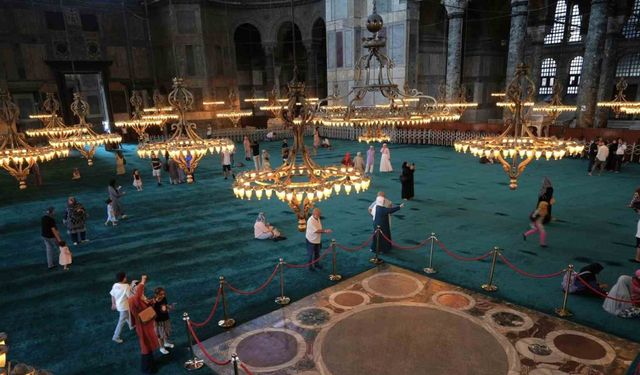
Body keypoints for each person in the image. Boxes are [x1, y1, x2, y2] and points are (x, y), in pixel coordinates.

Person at [128, 275, 166, 374]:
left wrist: (151, 302)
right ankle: (146, 369)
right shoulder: (133, 299)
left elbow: (144, 307)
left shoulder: (139, 298)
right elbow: (137, 298)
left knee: (148, 347)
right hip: (143, 327)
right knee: (145, 348)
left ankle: (151, 364)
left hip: (147, 326)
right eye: (137, 289)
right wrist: (142, 282)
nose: (141, 290)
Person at [110, 272, 133, 344]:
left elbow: (112, 295)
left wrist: (113, 304)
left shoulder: (115, 285)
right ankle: (115, 336)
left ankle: (131, 325)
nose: (126, 278)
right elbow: (130, 296)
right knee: (121, 321)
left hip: (119, 306)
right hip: (124, 307)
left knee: (127, 316)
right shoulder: (126, 286)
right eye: (125, 277)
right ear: (123, 279)